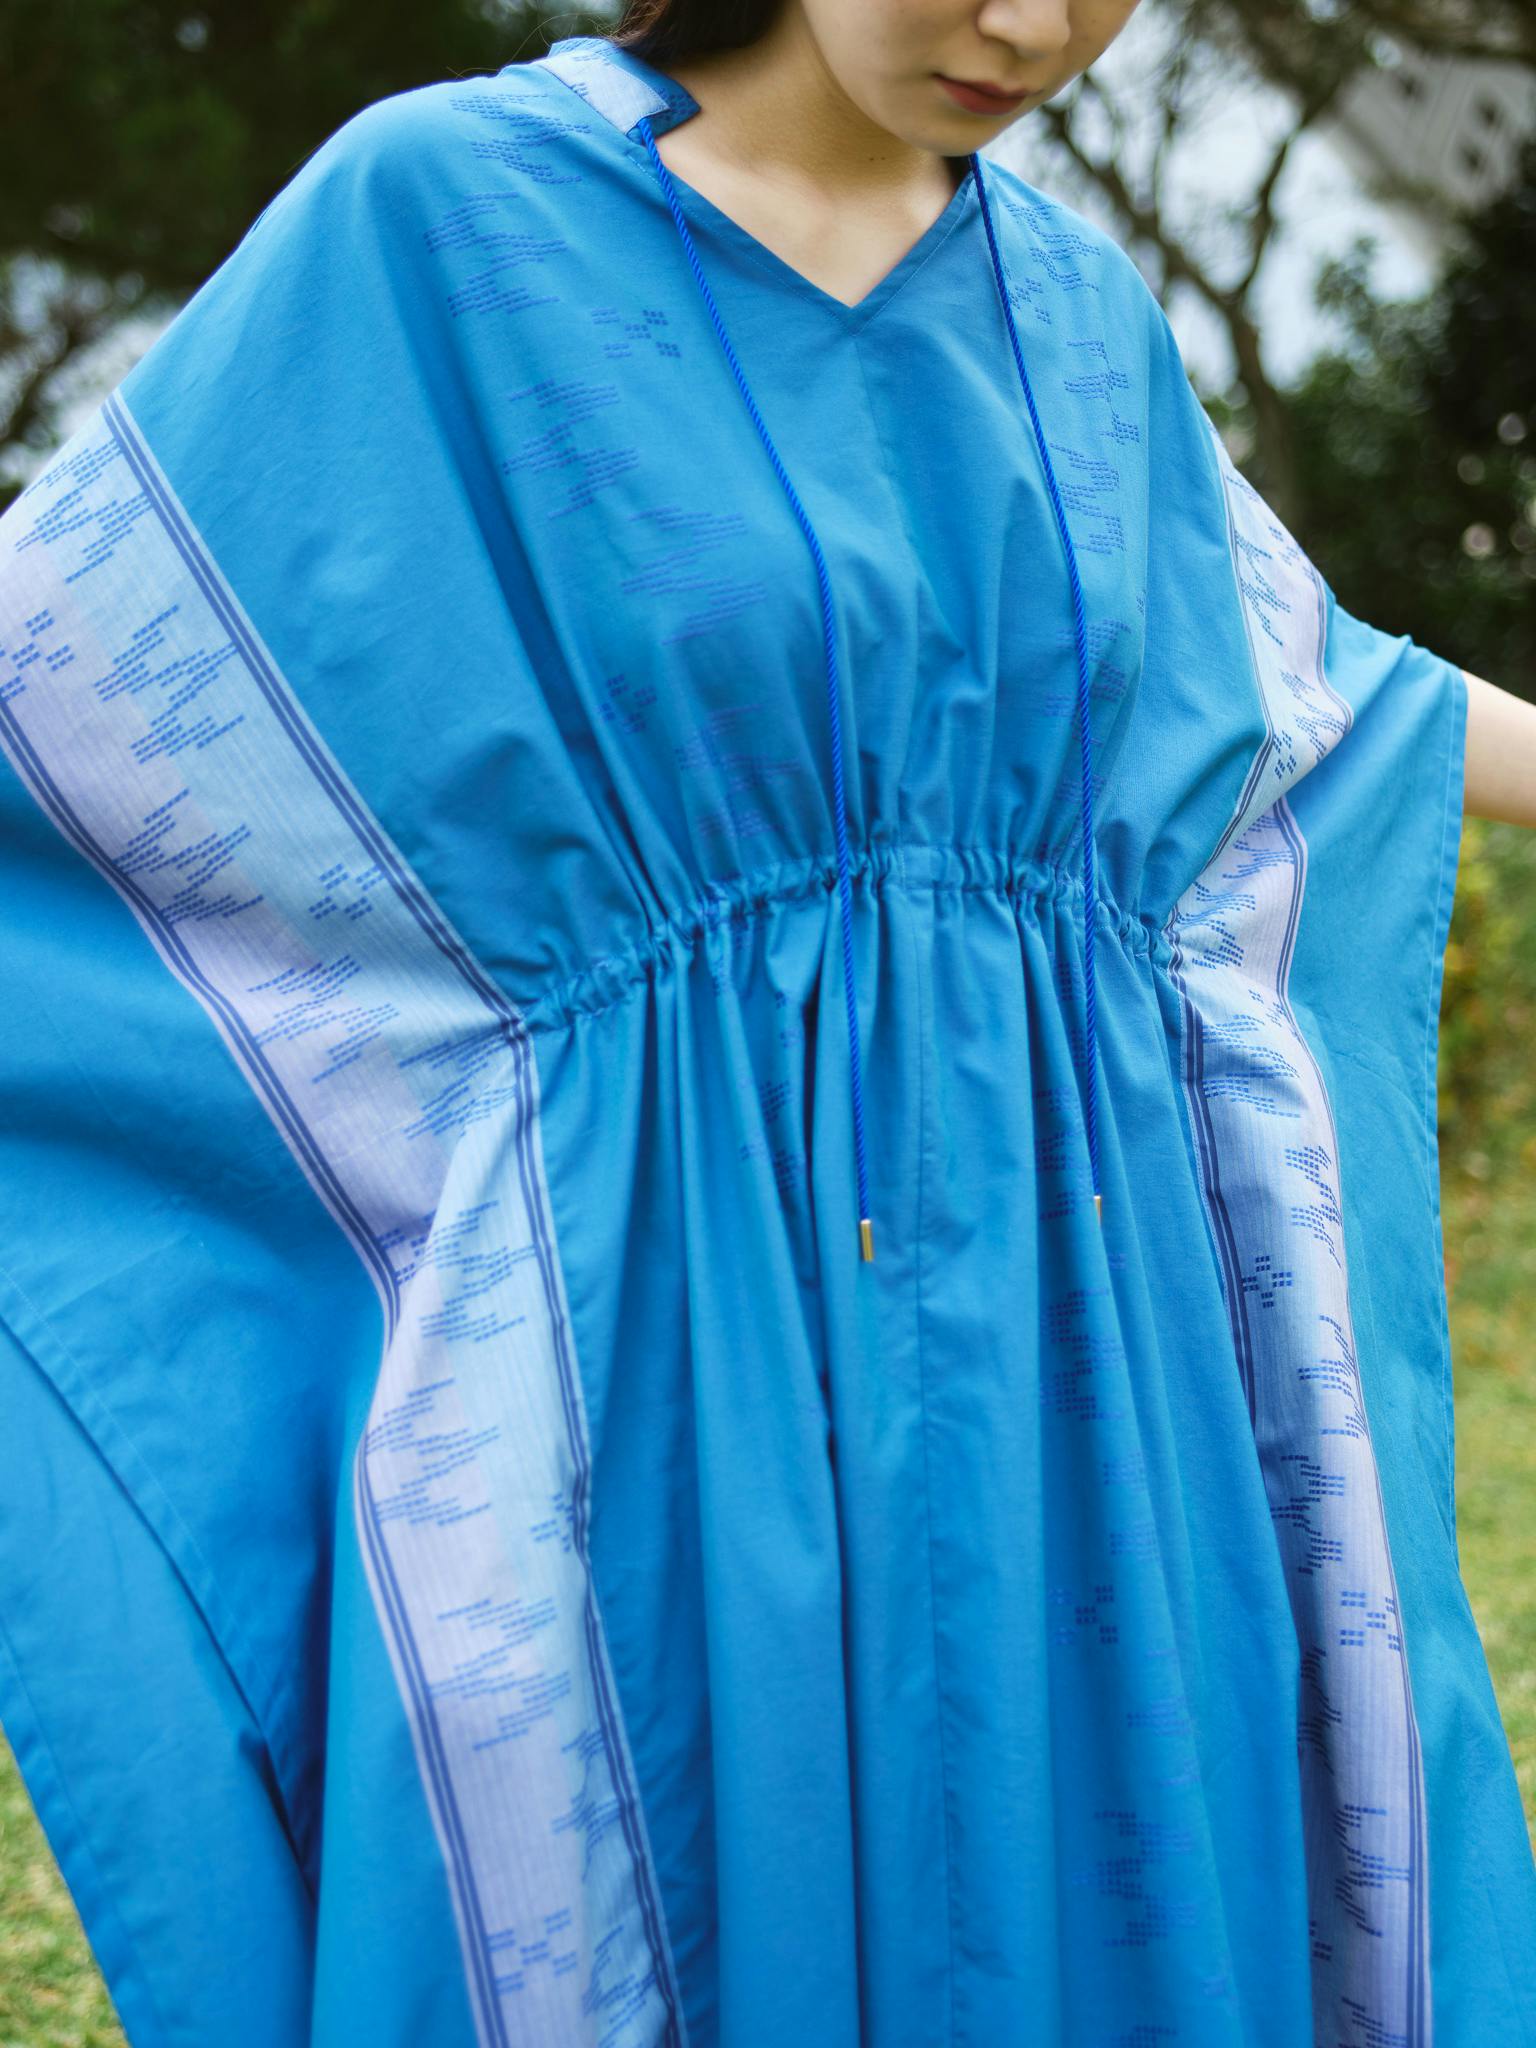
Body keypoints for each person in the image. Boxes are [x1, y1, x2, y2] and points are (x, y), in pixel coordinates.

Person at [0, 2, 1531, 2043]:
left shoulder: (1081, 320)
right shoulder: (444, 222)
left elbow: (1305, 703)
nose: (1030, 23)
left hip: (1086, 1335)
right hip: (658, 1332)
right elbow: (78, 671)